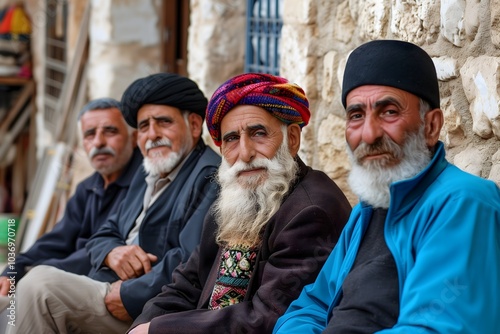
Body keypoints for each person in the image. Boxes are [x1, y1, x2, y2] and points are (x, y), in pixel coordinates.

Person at [273, 40, 500, 334]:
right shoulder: (369, 208)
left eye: (389, 112)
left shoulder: (464, 203)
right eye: (356, 115)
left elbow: (437, 328)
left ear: (430, 126)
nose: (369, 134)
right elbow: (310, 307)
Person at [128, 73, 352, 334]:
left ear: (292, 139)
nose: (245, 154)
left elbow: (267, 318)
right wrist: (141, 327)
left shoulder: (311, 211)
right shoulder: (234, 199)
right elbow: (185, 284)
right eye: (232, 139)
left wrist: (157, 330)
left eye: (258, 134)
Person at [8, 73, 221, 334]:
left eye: (163, 122)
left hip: (146, 305)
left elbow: (190, 260)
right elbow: (103, 233)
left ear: (195, 125)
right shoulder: (149, 172)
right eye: (144, 126)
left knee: (39, 286)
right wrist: (111, 253)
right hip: (108, 284)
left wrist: (129, 295)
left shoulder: (209, 176)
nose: (152, 135)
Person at [0, 97, 142, 294]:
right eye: (90, 134)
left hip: (107, 289)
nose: (99, 142)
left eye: (110, 131)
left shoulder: (145, 183)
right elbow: (57, 240)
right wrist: (14, 269)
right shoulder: (88, 187)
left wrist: (39, 270)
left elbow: (106, 251)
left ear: (134, 138)